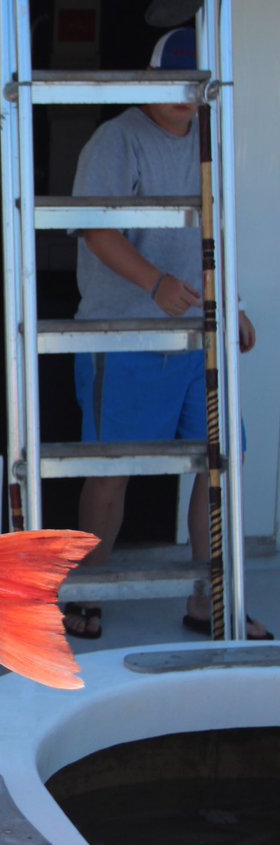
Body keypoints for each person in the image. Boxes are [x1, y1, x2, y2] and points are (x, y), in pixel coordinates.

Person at [66, 27, 269, 640]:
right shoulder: (116, 138)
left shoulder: (212, 138)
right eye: (173, 81)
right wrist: (155, 283)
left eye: (195, 84)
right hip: (122, 336)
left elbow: (216, 234)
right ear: (148, 79)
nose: (184, 95)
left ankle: (210, 601)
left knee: (218, 466)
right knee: (111, 470)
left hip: (197, 339)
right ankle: (87, 595)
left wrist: (228, 302)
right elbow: (94, 230)